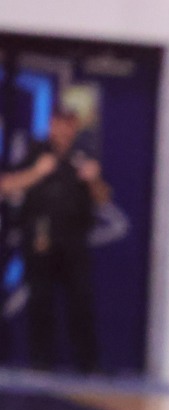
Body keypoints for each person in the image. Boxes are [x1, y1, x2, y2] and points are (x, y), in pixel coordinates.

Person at [2, 109, 108, 372]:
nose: (63, 131)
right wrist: (38, 172)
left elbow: (103, 199)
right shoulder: (32, 151)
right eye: (59, 125)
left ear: (75, 128)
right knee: (41, 301)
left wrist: (94, 180)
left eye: (69, 126)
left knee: (81, 302)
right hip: (39, 238)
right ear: (50, 126)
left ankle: (88, 365)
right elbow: (6, 186)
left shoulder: (83, 157)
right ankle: (40, 363)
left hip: (74, 240)